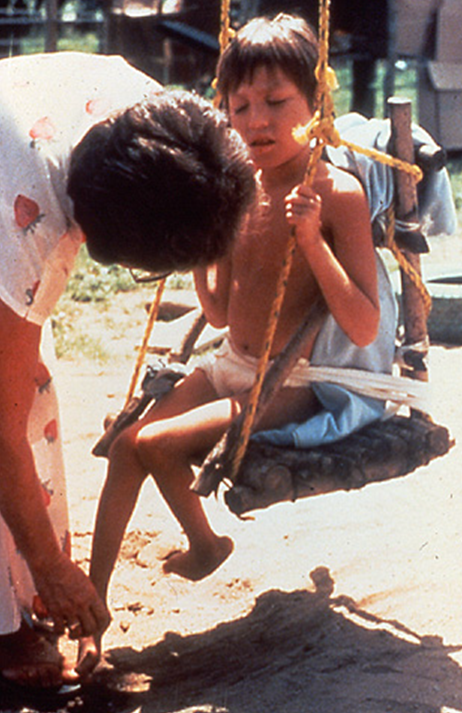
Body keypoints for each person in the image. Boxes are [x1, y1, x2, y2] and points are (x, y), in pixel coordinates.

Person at [81, 13, 398, 671]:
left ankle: (206, 545)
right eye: (240, 104)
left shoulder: (335, 192)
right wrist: (203, 249)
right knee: (123, 448)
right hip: (234, 364)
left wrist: (312, 241)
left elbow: (365, 324)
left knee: (156, 443)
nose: (256, 119)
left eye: (276, 101)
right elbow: (223, 313)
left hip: (292, 384)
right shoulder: (242, 185)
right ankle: (94, 609)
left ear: (316, 103)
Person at [0, 50, 255, 693]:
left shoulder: (151, 121)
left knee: (29, 390)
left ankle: (15, 605)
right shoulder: (18, 218)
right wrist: (54, 568)